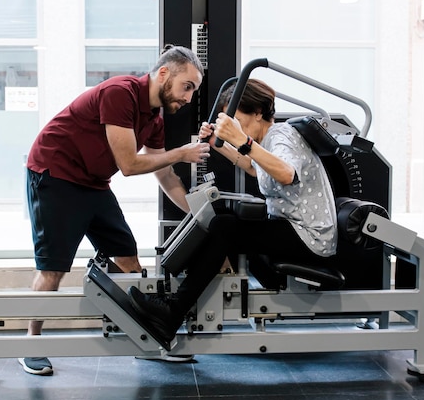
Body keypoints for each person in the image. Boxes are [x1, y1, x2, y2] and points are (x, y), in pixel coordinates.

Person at [21, 44, 210, 375]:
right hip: (54, 175)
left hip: (93, 183)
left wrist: (197, 214)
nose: (189, 97)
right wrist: (181, 153)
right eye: (187, 87)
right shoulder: (120, 93)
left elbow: (164, 174)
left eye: (193, 90)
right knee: (53, 269)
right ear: (164, 74)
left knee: (127, 260)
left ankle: (147, 339)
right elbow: (128, 164)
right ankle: (31, 343)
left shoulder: (153, 120)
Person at [128, 78, 338, 342]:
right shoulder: (268, 143)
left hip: (311, 237)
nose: (235, 126)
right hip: (294, 230)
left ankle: (172, 312)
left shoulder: (282, 135)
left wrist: (242, 139)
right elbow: (253, 166)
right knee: (222, 222)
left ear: (258, 113)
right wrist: (220, 141)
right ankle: (171, 307)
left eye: (237, 119)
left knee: (225, 227)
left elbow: (286, 173)